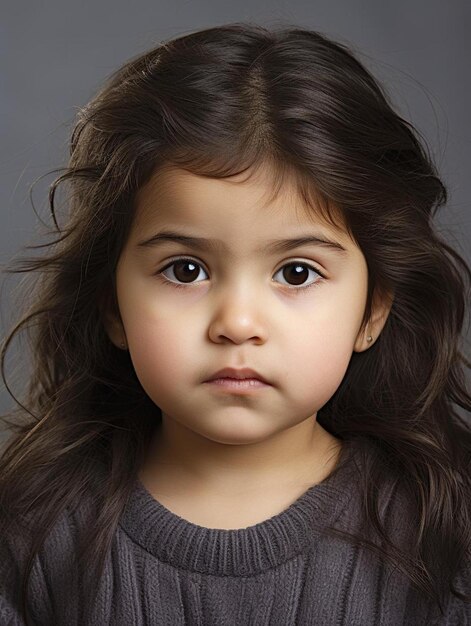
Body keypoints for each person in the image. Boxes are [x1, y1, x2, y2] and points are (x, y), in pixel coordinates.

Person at [0, 21, 470, 626]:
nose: (237, 323)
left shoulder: (442, 534)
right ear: (112, 305)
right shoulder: (33, 535)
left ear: (372, 310)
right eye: (186, 269)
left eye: (297, 273)